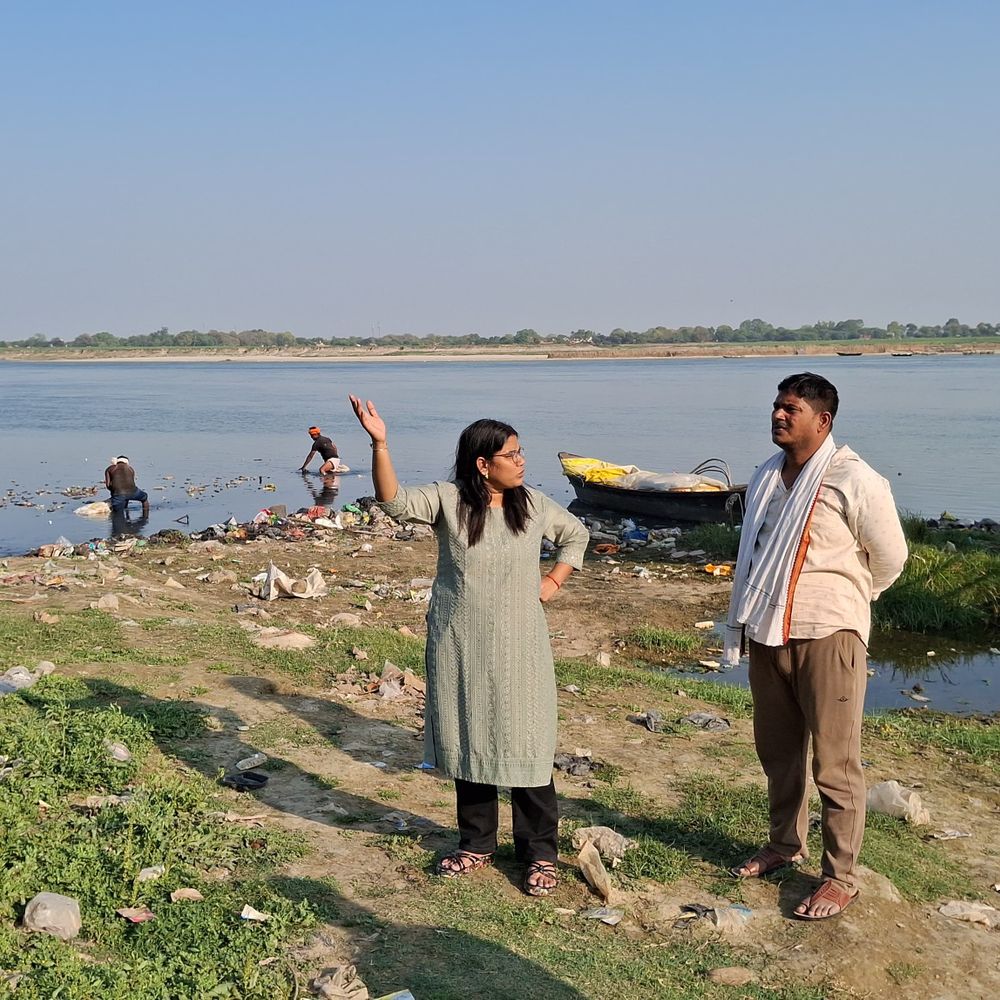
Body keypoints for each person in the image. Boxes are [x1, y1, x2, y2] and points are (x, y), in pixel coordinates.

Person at [349, 394, 589, 896]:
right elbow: (393, 502)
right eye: (512, 455)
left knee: (529, 744)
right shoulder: (447, 499)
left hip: (523, 645)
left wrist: (553, 583)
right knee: (470, 736)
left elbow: (577, 536)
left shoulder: (535, 505)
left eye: (522, 452)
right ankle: (476, 844)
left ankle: (539, 854)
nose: (522, 461)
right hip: (462, 642)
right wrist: (380, 444)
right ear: (483, 464)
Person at [723, 373, 907, 920]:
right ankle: (784, 844)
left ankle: (840, 876)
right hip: (766, 631)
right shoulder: (766, 476)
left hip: (829, 636)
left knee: (835, 763)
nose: (778, 415)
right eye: (777, 406)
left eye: (791, 409)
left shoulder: (854, 478)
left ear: (822, 421)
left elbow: (891, 557)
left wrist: (845, 599)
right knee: (778, 753)